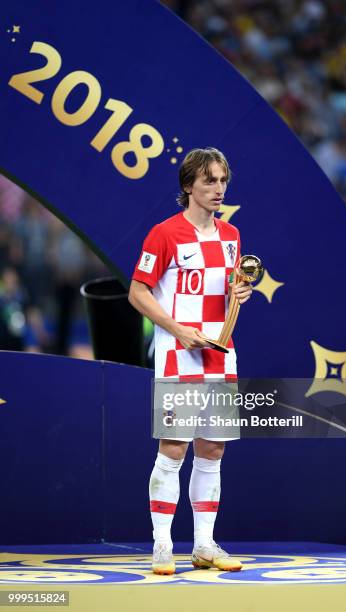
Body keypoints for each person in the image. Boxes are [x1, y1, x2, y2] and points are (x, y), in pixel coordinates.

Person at [129, 147, 252, 575]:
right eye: (209, 181)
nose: (218, 188)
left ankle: (203, 545)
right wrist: (179, 330)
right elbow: (137, 293)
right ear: (188, 186)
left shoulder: (232, 237)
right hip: (179, 355)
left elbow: (226, 296)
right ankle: (162, 545)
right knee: (174, 447)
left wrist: (239, 297)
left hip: (220, 355)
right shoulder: (163, 234)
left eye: (222, 181)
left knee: (213, 449)